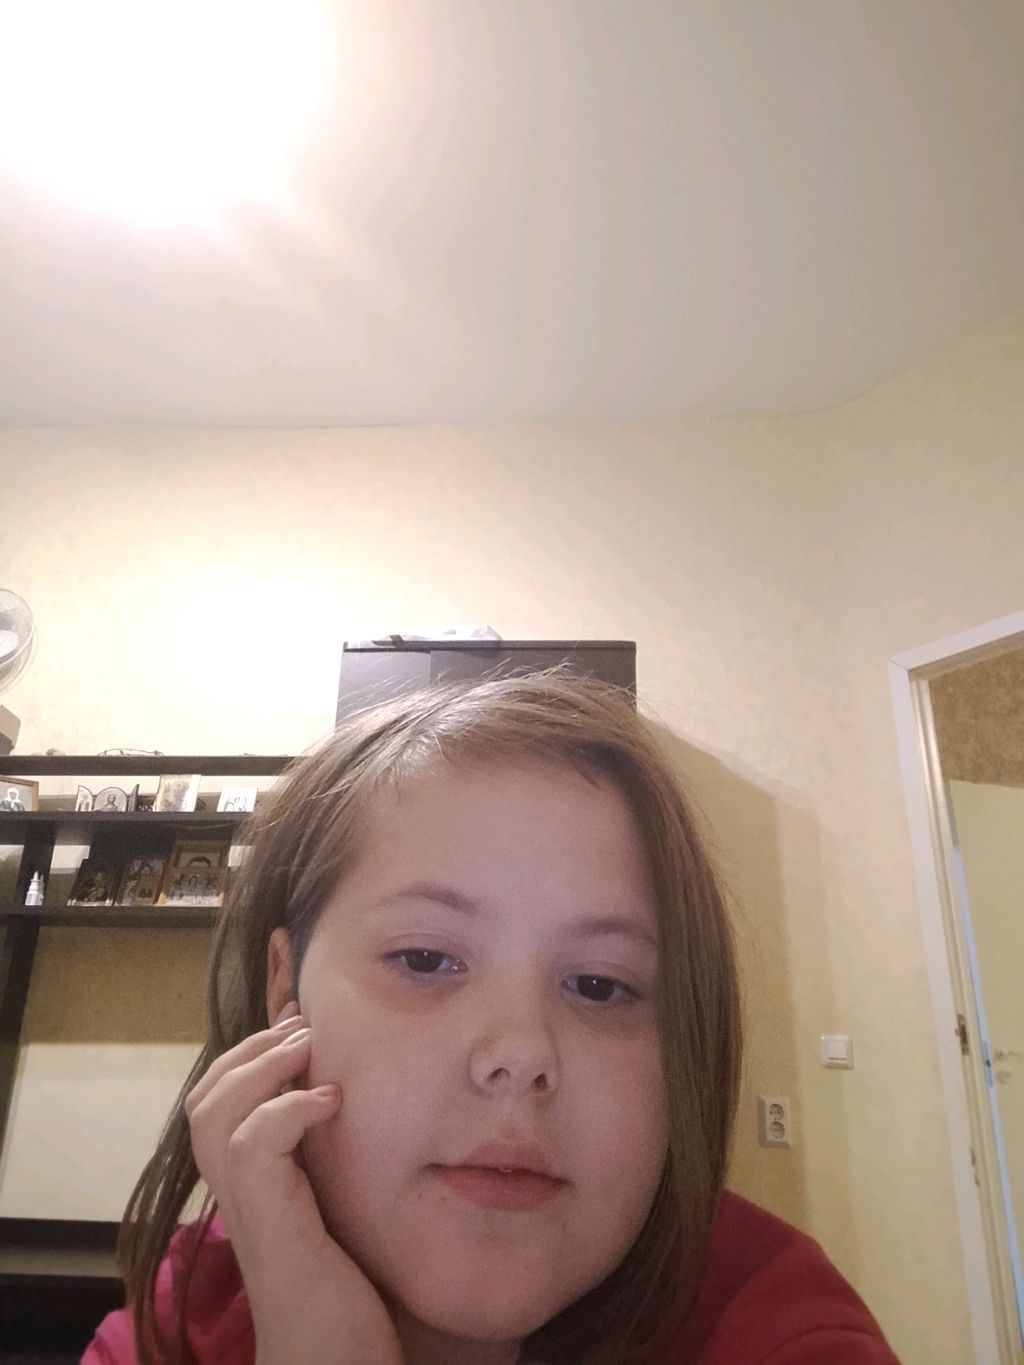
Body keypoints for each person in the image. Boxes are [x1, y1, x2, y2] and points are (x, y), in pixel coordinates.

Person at [82, 669, 900, 1365]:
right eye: (425, 959)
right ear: (283, 990)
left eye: (599, 984)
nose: (521, 1051)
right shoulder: (173, 1325)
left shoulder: (782, 1331)